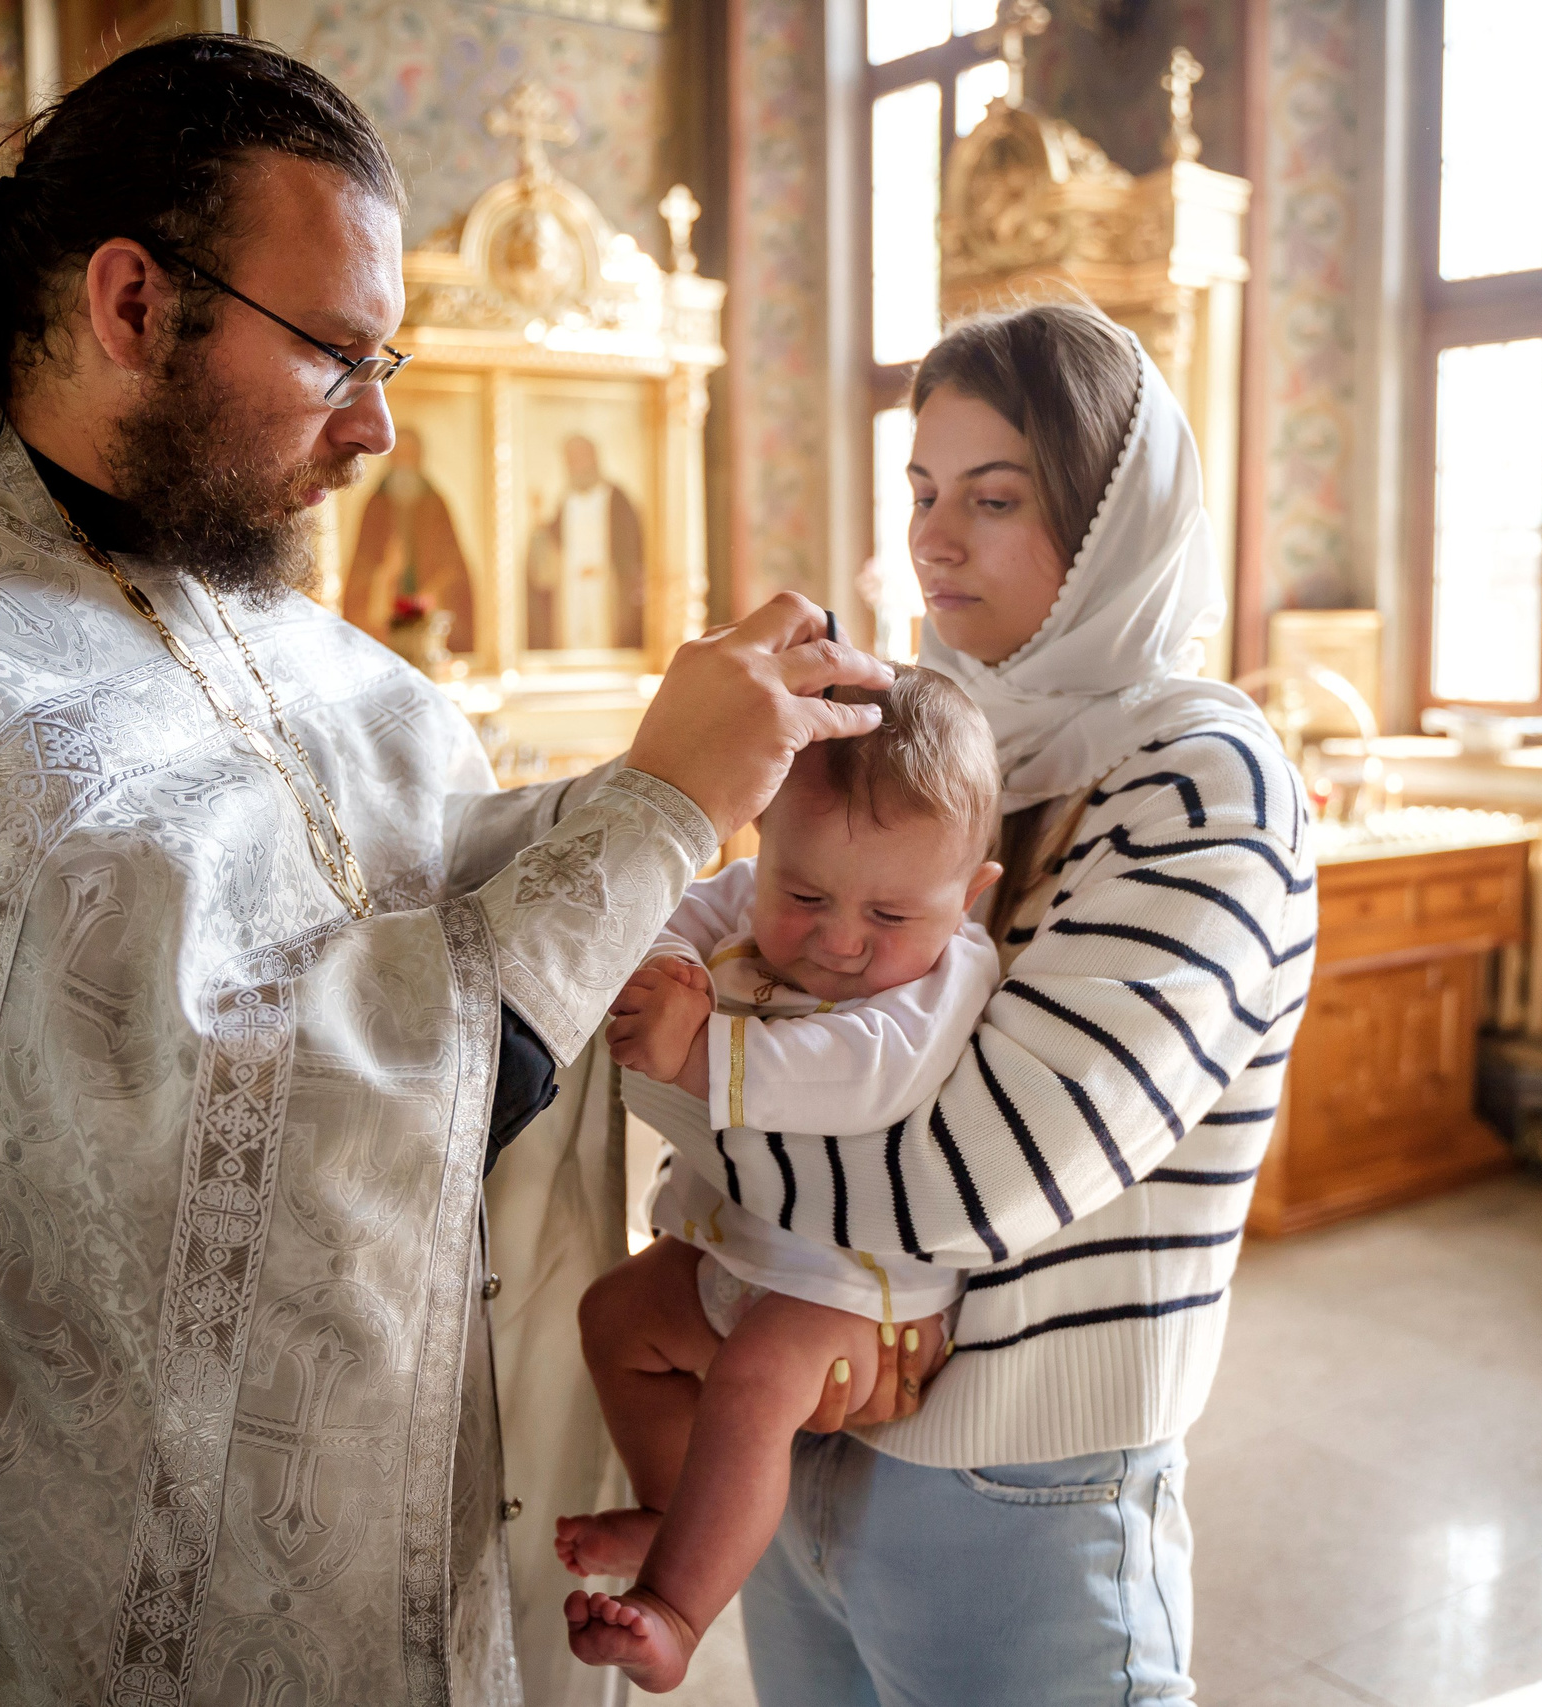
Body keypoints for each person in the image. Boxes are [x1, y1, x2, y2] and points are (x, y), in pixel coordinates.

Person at [0, 35, 891, 1705]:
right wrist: (659, 816)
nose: (382, 425)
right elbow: (283, 1137)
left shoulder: (182, 570)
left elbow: (377, 882)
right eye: (335, 353)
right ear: (130, 303)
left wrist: (632, 793)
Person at [617, 301, 1318, 1703]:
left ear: (1119, 521)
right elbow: (695, 1004)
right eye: (924, 491)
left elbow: (980, 1174)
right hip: (800, 1440)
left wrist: (699, 1087)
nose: (935, 539)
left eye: (995, 500)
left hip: (1026, 1488)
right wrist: (690, 1064)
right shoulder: (932, 742)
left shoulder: (1199, 781)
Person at [558, 665, 1005, 1691]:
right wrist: (668, 970)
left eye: (891, 915)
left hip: (861, 1292)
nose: (840, 941)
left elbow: (867, 1074)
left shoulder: (948, 976)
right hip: (741, 1245)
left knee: (755, 1384)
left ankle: (675, 1608)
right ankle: (680, 1511)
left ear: (968, 890)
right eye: (803, 895)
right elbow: (680, 917)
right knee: (614, 1317)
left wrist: (695, 1055)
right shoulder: (747, 898)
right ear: (762, 838)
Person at [345, 425, 476, 651]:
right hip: (384, 626)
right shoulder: (376, 506)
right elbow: (361, 567)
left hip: (427, 628)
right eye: (399, 456)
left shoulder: (436, 504)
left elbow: (454, 567)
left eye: (410, 455)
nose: (405, 463)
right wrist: (384, 574)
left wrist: (433, 592)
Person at [526, 433, 645, 650]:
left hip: (607, 586)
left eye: (580, 458)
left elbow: (630, 551)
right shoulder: (566, 501)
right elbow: (552, 543)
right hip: (571, 587)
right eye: (570, 460)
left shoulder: (616, 498)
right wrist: (537, 519)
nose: (575, 465)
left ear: (594, 459)